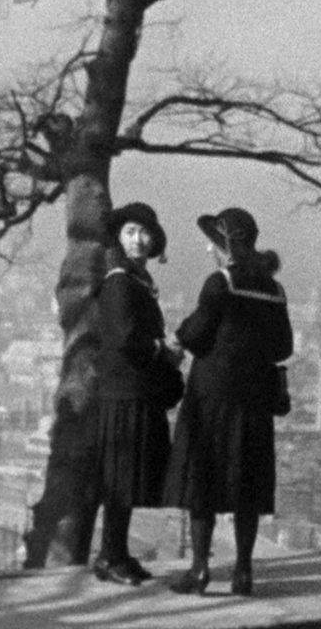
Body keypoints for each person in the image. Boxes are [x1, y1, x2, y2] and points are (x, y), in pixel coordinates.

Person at [164, 207, 293, 597]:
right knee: (247, 486)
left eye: (213, 242)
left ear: (225, 245)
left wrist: (180, 336)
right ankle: (243, 572)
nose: (209, 249)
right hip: (254, 399)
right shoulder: (274, 289)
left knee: (202, 481)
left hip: (212, 396)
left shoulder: (220, 282)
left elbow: (197, 333)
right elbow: (283, 346)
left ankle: (201, 569)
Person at [92, 201, 184, 585]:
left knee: (125, 479)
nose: (139, 240)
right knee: (121, 479)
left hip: (132, 391)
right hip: (125, 393)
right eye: (131, 232)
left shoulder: (134, 280)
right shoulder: (119, 280)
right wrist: (164, 351)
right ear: (119, 236)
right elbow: (125, 336)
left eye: (145, 233)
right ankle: (110, 556)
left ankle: (115, 555)